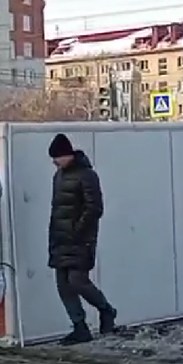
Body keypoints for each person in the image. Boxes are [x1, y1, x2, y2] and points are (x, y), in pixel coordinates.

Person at [47, 133, 117, 344]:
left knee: (78, 281)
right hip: (60, 239)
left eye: (57, 157)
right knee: (63, 284)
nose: (54, 162)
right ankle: (79, 326)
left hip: (80, 240)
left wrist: (78, 231)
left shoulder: (87, 175)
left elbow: (94, 208)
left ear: (67, 155)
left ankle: (106, 310)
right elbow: (57, 209)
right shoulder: (58, 177)